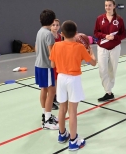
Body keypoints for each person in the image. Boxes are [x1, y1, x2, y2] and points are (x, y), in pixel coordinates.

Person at [49, 20, 97, 151]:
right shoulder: (80, 47)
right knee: (73, 112)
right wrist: (91, 51)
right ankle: (73, 141)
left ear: (62, 33)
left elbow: (52, 65)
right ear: (76, 33)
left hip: (61, 79)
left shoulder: (56, 46)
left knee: (62, 109)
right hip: (73, 79)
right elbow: (93, 63)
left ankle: (62, 134)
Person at [94, 0, 126, 102]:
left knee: (112, 69)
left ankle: (109, 91)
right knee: (102, 70)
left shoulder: (119, 19)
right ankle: (108, 91)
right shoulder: (100, 18)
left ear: (114, 6)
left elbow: (123, 34)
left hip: (115, 47)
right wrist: (104, 35)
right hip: (102, 47)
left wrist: (115, 38)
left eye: (109, 5)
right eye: (106, 5)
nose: (107, 7)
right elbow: (96, 33)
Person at [35, 9, 58, 130]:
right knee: (52, 91)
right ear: (52, 20)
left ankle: (46, 115)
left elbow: (36, 48)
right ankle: (47, 121)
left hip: (38, 65)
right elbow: (52, 53)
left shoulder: (40, 31)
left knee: (44, 90)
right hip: (46, 66)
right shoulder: (48, 34)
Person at [51, 18, 62, 110]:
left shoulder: (59, 36)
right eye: (53, 25)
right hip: (52, 62)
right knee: (51, 82)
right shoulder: (49, 36)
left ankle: (54, 97)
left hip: (59, 62)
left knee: (56, 81)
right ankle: (50, 101)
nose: (55, 27)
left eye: (57, 25)